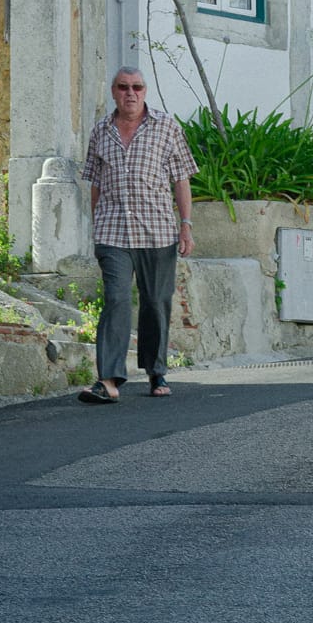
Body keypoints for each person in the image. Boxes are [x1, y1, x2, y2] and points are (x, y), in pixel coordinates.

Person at [78, 67, 197, 403]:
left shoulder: (166, 127)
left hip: (158, 232)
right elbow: (96, 184)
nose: (130, 93)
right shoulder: (100, 131)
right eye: (123, 87)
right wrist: (96, 223)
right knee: (115, 299)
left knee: (155, 304)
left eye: (137, 87)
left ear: (145, 91)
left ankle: (155, 369)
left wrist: (185, 225)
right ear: (113, 91)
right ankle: (109, 380)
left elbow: (182, 179)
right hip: (113, 231)